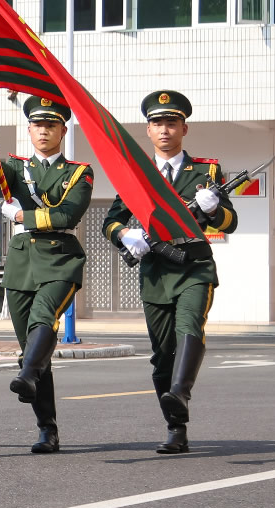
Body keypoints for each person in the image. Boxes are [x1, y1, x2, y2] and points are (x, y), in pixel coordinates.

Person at [101, 90, 238, 455]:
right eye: (157, 123)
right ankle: (175, 426)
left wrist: (212, 210)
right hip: (157, 272)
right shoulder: (136, 174)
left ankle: (180, 393)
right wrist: (127, 235)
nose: (165, 129)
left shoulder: (205, 172)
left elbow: (230, 221)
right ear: (148, 130)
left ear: (184, 128)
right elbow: (110, 223)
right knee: (162, 354)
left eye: (171, 123)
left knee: (189, 326)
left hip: (194, 265)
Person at [0, 95, 93, 454]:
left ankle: (27, 375)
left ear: (62, 130)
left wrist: (21, 217)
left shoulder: (78, 171)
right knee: (32, 348)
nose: (44, 130)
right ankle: (48, 428)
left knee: (44, 319)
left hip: (59, 259)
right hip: (22, 262)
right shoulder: (16, 166)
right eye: (38, 125)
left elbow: (66, 216)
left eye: (51, 125)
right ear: (29, 130)